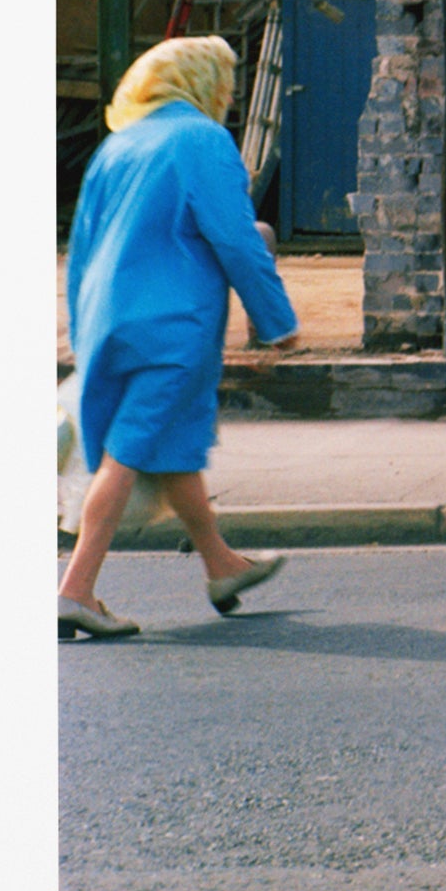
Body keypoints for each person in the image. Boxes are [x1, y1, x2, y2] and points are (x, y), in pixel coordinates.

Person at [58, 34, 300, 642]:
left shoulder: (117, 146)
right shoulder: (202, 140)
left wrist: (85, 335)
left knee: (172, 443)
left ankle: (221, 566)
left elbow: (82, 248)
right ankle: (75, 589)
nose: (230, 93)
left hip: (109, 317)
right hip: (176, 324)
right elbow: (237, 237)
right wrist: (277, 322)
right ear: (202, 83)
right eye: (225, 81)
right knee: (129, 452)